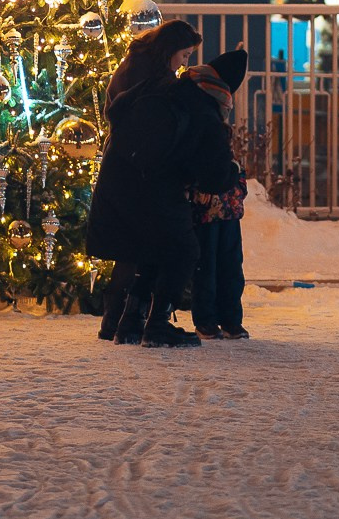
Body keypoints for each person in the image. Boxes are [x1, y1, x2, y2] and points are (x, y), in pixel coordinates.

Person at [87, 20, 240, 347]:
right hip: (150, 180)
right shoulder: (201, 106)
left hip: (122, 171)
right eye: (183, 55)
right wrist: (232, 172)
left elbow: (121, 111)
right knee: (183, 250)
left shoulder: (159, 83)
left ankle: (128, 324)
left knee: (149, 249)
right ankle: (155, 326)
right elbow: (214, 174)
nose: (185, 63)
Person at [181, 49, 252, 340]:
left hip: (221, 203)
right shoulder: (207, 104)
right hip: (213, 200)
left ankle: (224, 319)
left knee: (223, 264)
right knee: (215, 264)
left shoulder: (199, 96)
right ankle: (216, 319)